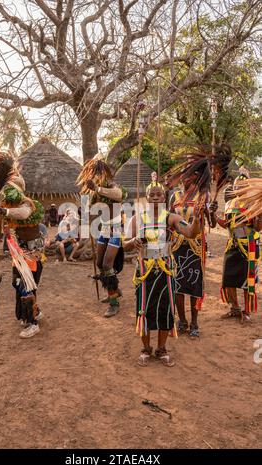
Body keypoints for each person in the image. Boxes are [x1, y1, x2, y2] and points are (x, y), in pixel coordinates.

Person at [124, 185, 201, 366]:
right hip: (144, 270)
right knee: (143, 308)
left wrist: (197, 217)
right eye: (152, 194)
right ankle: (145, 349)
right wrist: (133, 241)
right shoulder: (137, 219)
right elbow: (124, 244)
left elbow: (191, 232)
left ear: (164, 197)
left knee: (166, 308)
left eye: (159, 194)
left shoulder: (172, 218)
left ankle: (162, 349)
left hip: (166, 269)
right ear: (147, 197)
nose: (156, 197)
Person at [0, 154, 46, 339]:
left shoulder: (28, 203)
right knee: (17, 284)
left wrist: (3, 210)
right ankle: (35, 311)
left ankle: (32, 323)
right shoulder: (4, 205)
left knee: (26, 285)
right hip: (17, 253)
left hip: (33, 254)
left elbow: (24, 214)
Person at [77, 153, 127, 318]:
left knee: (106, 264)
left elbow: (119, 195)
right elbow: (89, 209)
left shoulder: (111, 185)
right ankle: (114, 290)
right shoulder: (95, 191)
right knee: (99, 262)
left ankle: (114, 303)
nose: (97, 177)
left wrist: (97, 189)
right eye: (94, 174)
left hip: (116, 229)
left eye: (98, 173)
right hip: (104, 229)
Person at [169, 179, 218, 338]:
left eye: (191, 176)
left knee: (195, 284)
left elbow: (212, 223)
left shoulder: (203, 197)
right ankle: (182, 321)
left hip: (196, 247)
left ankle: (194, 323)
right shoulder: (174, 196)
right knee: (178, 284)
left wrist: (211, 212)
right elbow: (169, 221)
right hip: (177, 247)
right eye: (185, 176)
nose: (186, 179)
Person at [217, 175, 262, 322]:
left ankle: (247, 312)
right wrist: (213, 215)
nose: (239, 188)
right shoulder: (230, 203)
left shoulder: (254, 203)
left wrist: (258, 219)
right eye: (237, 185)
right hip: (232, 244)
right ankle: (235, 308)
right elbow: (227, 225)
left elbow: (258, 228)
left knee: (246, 281)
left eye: (243, 185)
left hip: (248, 245)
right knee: (227, 278)